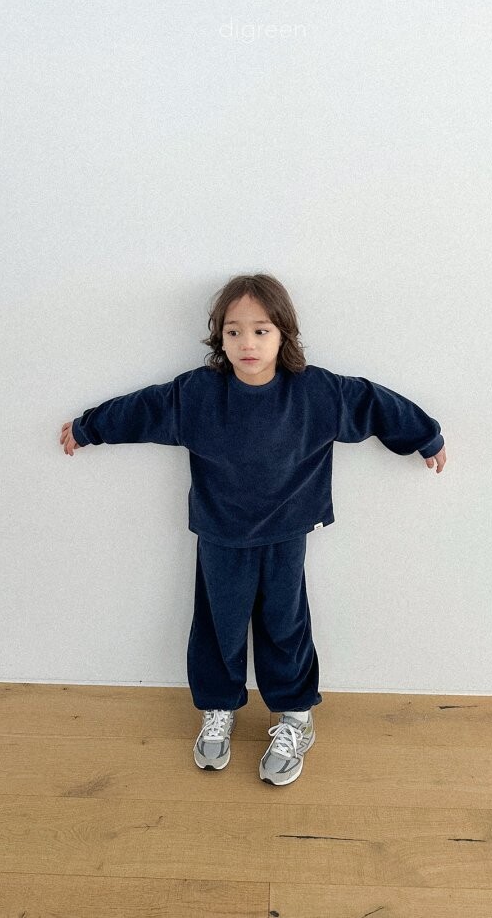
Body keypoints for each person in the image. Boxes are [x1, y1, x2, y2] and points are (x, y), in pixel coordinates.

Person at [60, 273, 446, 786]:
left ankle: (296, 716)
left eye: (261, 331)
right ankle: (218, 707)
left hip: (288, 530)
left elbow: (374, 403)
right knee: (218, 624)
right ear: (219, 338)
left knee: (285, 624)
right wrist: (89, 428)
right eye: (234, 331)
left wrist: (424, 435)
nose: (248, 343)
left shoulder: (316, 392)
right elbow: (144, 408)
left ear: (283, 334)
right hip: (221, 532)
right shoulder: (198, 394)